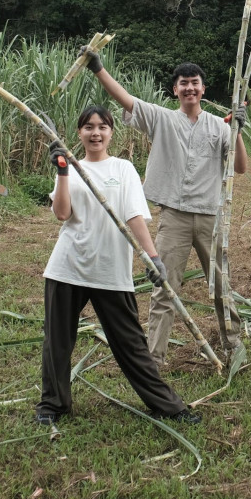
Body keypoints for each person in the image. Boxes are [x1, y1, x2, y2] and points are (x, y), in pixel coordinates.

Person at [33, 106, 201, 426]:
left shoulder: (123, 169)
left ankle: (168, 405)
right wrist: (62, 170)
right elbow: (62, 214)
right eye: (88, 127)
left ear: (111, 132)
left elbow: (134, 217)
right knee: (57, 341)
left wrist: (153, 258)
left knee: (130, 344)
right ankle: (52, 406)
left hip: (110, 268)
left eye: (102, 127)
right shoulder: (71, 166)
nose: (95, 133)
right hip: (67, 266)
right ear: (79, 133)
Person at [81, 47, 247, 364]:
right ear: (175, 89)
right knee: (164, 287)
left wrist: (238, 131)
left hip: (211, 217)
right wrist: (98, 69)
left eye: (194, 82)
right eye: (183, 83)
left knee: (220, 285)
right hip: (174, 217)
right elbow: (125, 100)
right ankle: (154, 357)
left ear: (203, 88)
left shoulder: (218, 126)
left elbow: (239, 167)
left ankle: (233, 344)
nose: (189, 87)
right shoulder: (161, 119)